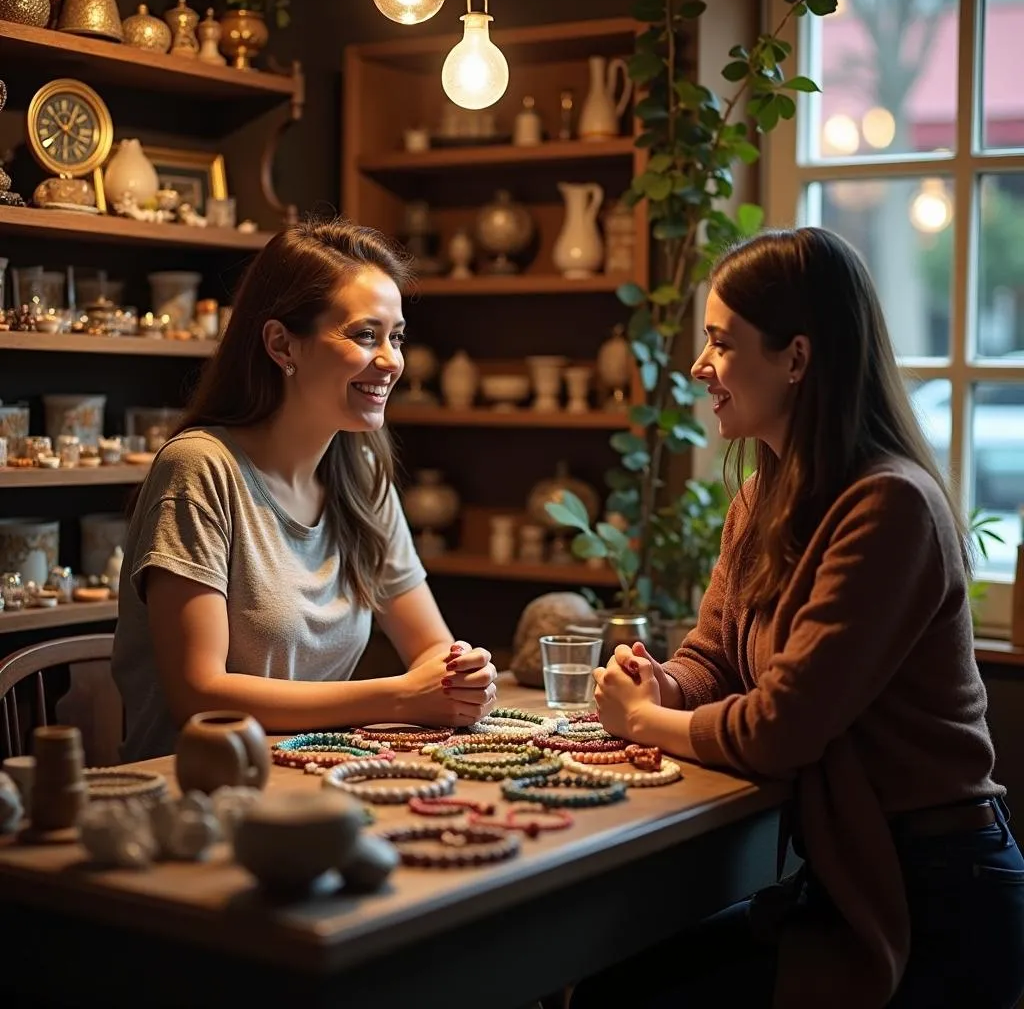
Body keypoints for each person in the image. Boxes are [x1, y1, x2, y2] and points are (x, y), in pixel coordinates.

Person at [571, 227, 1024, 1009]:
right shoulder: (760, 498)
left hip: (939, 894)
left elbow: (783, 729)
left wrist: (645, 720)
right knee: (615, 983)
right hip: (851, 878)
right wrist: (664, 682)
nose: (699, 366)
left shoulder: (888, 506)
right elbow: (713, 655)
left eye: (720, 342)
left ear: (796, 359)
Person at [111, 219, 497, 763]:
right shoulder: (199, 469)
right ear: (280, 343)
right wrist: (399, 696)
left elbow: (432, 646)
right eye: (366, 335)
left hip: (318, 777)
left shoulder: (360, 473)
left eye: (396, 336)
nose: (391, 360)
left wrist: (462, 675)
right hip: (195, 798)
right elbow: (199, 696)